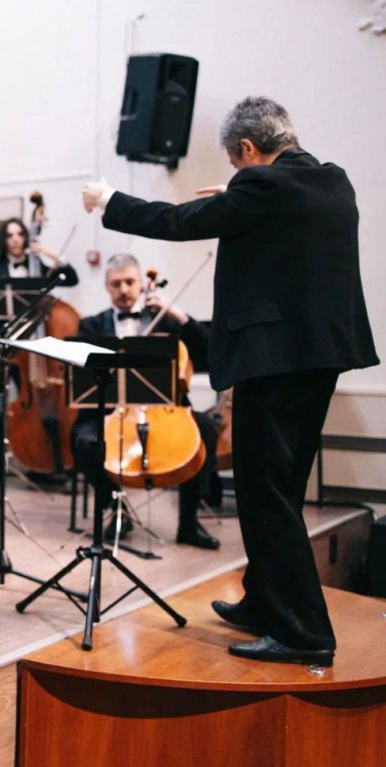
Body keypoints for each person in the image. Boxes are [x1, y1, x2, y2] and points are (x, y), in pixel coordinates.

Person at [82, 96, 378, 666]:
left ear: (247, 148)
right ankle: (265, 600)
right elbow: (284, 219)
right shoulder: (331, 181)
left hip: (276, 363)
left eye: (236, 164)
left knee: (266, 495)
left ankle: (303, 633)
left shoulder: (261, 188)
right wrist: (238, 193)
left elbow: (177, 222)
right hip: (319, 358)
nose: (236, 174)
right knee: (281, 489)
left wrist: (110, 201)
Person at [70, 254, 221, 550]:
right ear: (107, 286)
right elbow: (82, 375)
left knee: (206, 430)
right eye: (116, 284)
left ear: (141, 283)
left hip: (166, 407)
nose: (124, 289)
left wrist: (179, 315)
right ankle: (117, 510)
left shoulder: (165, 320)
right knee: (84, 440)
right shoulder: (91, 326)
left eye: (130, 282)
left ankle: (189, 522)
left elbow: (209, 349)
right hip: (110, 410)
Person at [0, 217, 78, 483]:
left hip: (28, 349)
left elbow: (72, 278)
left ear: (26, 237)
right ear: (3, 240)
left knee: (35, 404)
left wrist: (50, 254)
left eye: (20, 234)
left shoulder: (40, 268)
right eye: (9, 235)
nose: (15, 239)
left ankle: (40, 463)